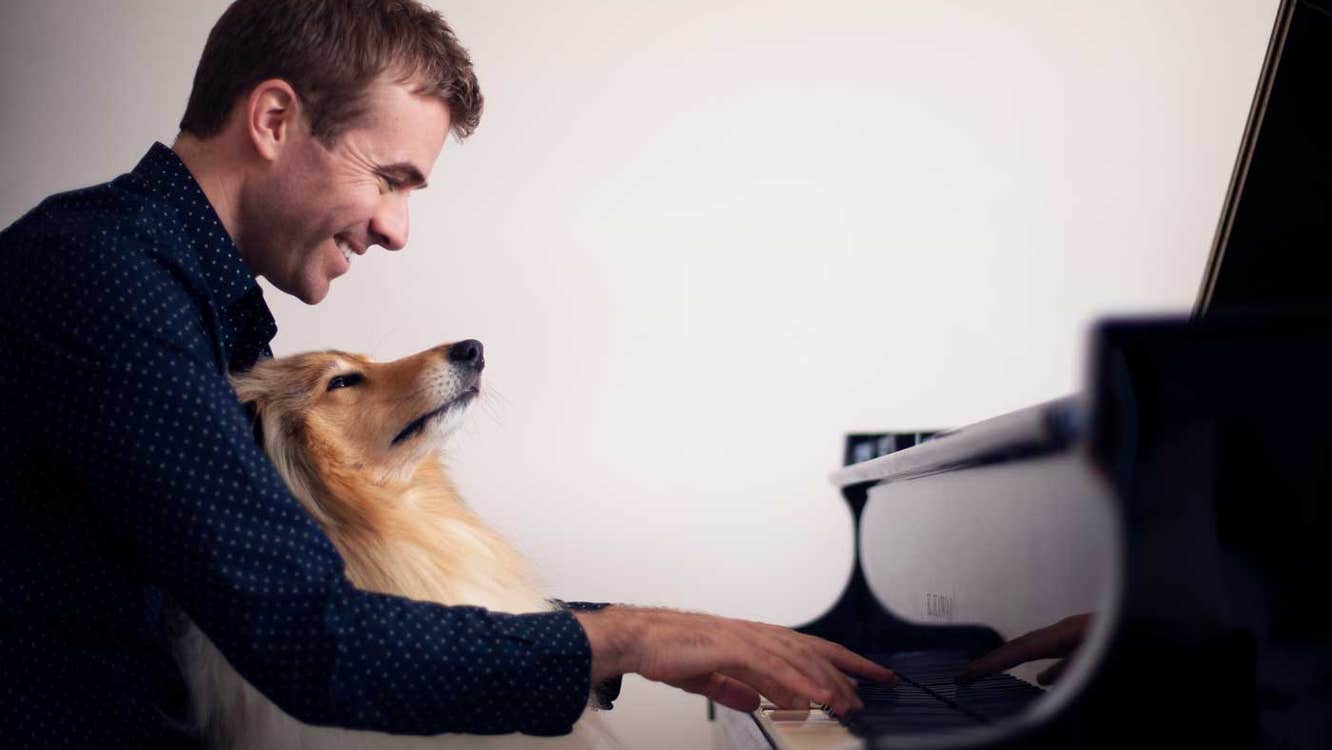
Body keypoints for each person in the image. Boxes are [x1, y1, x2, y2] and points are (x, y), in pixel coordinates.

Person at [0, 1, 894, 746]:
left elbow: (332, 597)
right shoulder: (102, 279)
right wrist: (627, 640)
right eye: (388, 178)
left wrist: (653, 632)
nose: (396, 229)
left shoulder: (171, 293)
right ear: (274, 121)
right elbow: (312, 639)